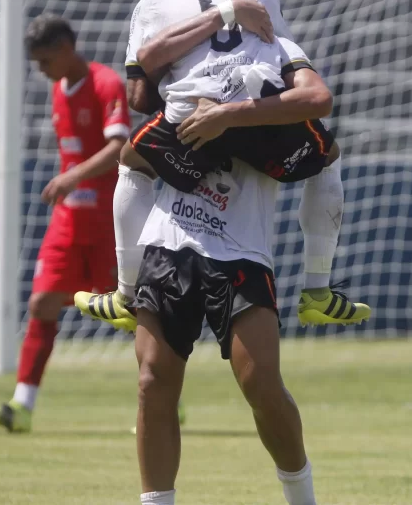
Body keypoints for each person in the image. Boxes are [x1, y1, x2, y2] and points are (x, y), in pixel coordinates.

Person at [76, 0, 368, 331]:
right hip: (263, 130)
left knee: (130, 161)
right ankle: (318, 291)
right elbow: (282, 54)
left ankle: (124, 294)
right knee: (330, 155)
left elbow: (140, 93)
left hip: (190, 128)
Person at [130, 77, 326, 504]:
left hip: (242, 250)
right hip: (170, 242)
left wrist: (319, 278)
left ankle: (302, 498)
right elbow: (134, 157)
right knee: (152, 381)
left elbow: (324, 137)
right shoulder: (188, 74)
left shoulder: (278, 72)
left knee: (261, 384)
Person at [0, 15, 131, 433]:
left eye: (44, 61)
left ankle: (169, 394)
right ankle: (21, 407)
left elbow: (121, 146)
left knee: (134, 312)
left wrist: (74, 175)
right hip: (68, 221)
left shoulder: (105, 83)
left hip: (110, 220)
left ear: (65, 49)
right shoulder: (59, 90)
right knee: (41, 304)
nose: (40, 71)